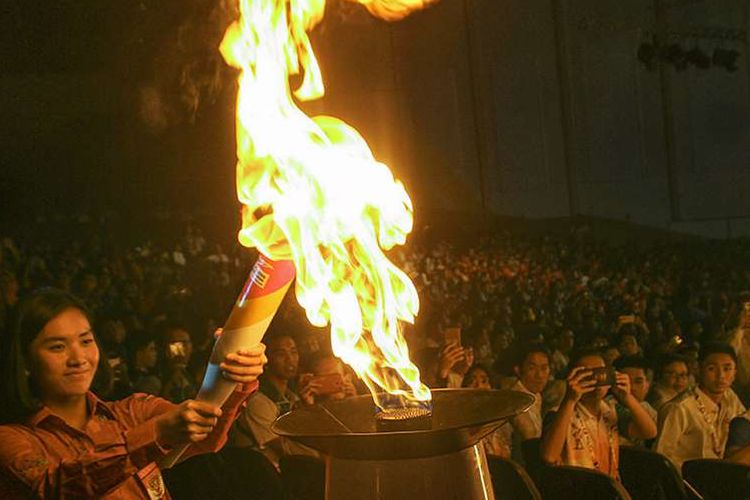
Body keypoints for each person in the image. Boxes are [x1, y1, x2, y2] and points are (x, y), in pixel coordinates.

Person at [0, 288, 266, 498]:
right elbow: (57, 489)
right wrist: (155, 435)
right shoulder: (12, 440)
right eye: (57, 347)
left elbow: (204, 437)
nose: (78, 358)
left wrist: (232, 374)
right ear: (24, 363)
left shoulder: (133, 412)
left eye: (85, 341)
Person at [540, 348, 656, 478]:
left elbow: (649, 432)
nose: (595, 381)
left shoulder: (611, 411)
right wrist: (570, 399)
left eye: (601, 374)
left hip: (608, 487)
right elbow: (549, 456)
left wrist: (627, 397)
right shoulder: (559, 413)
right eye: (586, 376)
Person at [229, 332, 317, 468]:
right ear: (267, 360)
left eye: (294, 352)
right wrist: (323, 455)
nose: (290, 359)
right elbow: (283, 448)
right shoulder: (258, 401)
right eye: (281, 354)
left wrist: (308, 405)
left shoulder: (292, 397)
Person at [653, 342, 746, 470]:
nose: (721, 376)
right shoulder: (680, 408)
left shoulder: (729, 397)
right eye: (712, 369)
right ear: (698, 369)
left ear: (735, 372)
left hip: (721, 476)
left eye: (727, 369)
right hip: (689, 482)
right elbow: (660, 459)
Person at [496, 344, 551, 462]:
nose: (539, 375)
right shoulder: (514, 400)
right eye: (532, 368)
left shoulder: (538, 396)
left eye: (544, 368)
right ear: (518, 370)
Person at [613, 356, 657, 447]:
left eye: (638, 382)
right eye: (625, 382)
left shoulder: (646, 406)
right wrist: (627, 397)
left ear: (647, 385)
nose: (632, 387)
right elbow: (648, 432)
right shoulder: (610, 406)